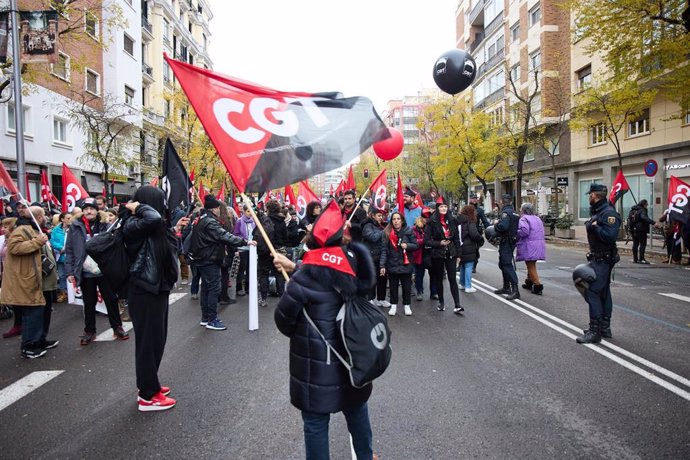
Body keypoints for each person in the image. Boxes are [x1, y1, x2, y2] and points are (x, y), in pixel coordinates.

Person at [275, 200, 377, 460]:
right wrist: (294, 267)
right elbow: (332, 273)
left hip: (314, 370)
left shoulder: (302, 280)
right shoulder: (354, 267)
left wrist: (295, 272)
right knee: (357, 414)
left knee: (316, 425)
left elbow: (283, 322)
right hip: (353, 359)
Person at [121, 185, 188, 412]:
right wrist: (140, 207)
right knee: (148, 343)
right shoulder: (134, 223)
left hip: (157, 288)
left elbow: (166, 242)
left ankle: (151, 384)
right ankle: (148, 396)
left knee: (158, 339)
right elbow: (153, 218)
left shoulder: (152, 225)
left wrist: (175, 229)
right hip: (144, 290)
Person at [65, 197, 129, 345]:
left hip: (104, 269)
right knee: (89, 302)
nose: (89, 211)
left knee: (111, 299)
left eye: (92, 208)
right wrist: (69, 272)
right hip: (85, 272)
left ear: (97, 210)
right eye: (86, 208)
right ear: (82, 211)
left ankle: (117, 327)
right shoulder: (75, 226)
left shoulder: (105, 225)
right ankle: (89, 331)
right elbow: (69, 250)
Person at [189, 195, 250, 330]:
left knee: (206, 288)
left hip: (203, 258)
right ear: (215, 209)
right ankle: (212, 319)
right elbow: (223, 235)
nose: (219, 210)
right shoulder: (210, 221)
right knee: (213, 289)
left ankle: (206, 317)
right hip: (209, 258)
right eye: (218, 208)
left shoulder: (202, 218)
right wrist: (244, 242)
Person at [0, 207, 50, 358]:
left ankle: (37, 341)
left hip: (32, 277)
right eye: (43, 215)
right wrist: (37, 241)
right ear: (38, 217)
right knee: (31, 313)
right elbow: (14, 248)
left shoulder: (32, 228)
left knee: (37, 311)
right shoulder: (21, 230)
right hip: (24, 279)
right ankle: (28, 345)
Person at [576, 183, 621, 344]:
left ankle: (595, 331)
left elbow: (610, 236)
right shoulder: (600, 211)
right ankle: (604, 327)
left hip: (603, 259)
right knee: (603, 292)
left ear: (594, 195)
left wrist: (595, 228)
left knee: (593, 291)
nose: (589, 197)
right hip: (599, 257)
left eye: (590, 194)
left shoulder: (608, 213)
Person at [424, 196, 463, 313]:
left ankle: (457, 304)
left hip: (451, 252)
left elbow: (456, 238)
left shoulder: (453, 220)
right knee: (439, 278)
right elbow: (427, 240)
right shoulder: (431, 221)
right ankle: (441, 302)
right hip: (437, 253)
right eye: (441, 206)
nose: (444, 208)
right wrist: (439, 243)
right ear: (437, 208)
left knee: (452, 278)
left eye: (445, 206)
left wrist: (459, 255)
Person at [380, 211, 418, 316]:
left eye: (398, 219)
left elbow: (416, 245)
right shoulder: (387, 232)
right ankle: (393, 305)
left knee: (406, 286)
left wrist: (407, 246)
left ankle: (407, 305)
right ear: (391, 221)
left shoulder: (408, 231)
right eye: (394, 219)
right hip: (392, 263)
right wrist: (382, 265)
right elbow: (384, 250)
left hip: (406, 263)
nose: (396, 221)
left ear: (402, 220)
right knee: (393, 286)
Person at [493, 194, 520, 300]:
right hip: (512, 241)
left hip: (506, 241)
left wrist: (496, 224)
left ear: (501, 202)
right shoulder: (516, 213)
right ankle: (506, 287)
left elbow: (503, 227)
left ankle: (515, 290)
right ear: (511, 202)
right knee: (503, 263)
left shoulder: (505, 213)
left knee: (506, 264)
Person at [361, 206, 389, 308]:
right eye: (378, 215)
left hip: (381, 255)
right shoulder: (367, 226)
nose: (380, 218)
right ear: (372, 215)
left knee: (382, 278)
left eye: (381, 216)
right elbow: (373, 237)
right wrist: (384, 232)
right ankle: (370, 298)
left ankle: (381, 299)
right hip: (371, 256)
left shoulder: (380, 225)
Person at [515, 203, 546, 295]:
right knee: (531, 263)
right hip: (539, 244)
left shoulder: (524, 219)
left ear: (524, 210)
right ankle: (529, 281)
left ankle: (537, 285)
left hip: (530, 244)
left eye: (521, 208)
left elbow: (524, 231)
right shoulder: (537, 218)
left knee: (530, 265)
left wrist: (516, 232)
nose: (520, 210)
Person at [456, 205, 483, 293]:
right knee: (468, 266)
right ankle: (468, 286)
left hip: (460, 245)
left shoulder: (458, 220)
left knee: (463, 265)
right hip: (469, 246)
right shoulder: (470, 221)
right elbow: (474, 234)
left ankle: (462, 283)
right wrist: (480, 239)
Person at [233, 205, 256, 296]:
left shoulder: (254, 221)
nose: (250, 213)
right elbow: (236, 235)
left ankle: (248, 288)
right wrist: (245, 241)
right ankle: (239, 289)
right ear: (244, 211)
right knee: (241, 269)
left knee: (250, 269)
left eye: (251, 211)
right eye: (248, 211)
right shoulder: (239, 221)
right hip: (242, 248)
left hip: (252, 249)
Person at [49, 212, 72, 303]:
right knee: (62, 275)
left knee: (71, 275)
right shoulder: (56, 230)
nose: (70, 220)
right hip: (60, 256)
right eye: (68, 218)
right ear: (62, 219)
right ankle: (64, 293)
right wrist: (60, 247)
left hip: (70, 256)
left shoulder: (73, 229)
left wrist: (68, 248)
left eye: (71, 218)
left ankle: (73, 293)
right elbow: (52, 241)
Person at [469, 194, 490, 273]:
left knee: (476, 250)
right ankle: (465, 265)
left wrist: (490, 228)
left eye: (475, 198)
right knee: (466, 249)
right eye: (473, 198)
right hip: (467, 231)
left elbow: (485, 221)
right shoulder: (466, 209)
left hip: (476, 232)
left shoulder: (480, 210)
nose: (474, 200)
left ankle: (474, 266)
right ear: (470, 199)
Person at [630, 199, 655, 264]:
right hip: (641, 230)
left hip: (633, 229)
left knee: (635, 244)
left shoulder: (632, 210)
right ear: (644, 204)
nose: (647, 206)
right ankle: (641, 258)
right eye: (646, 204)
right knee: (643, 244)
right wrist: (653, 223)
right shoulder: (642, 210)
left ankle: (635, 259)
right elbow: (644, 217)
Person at [411, 216, 427, 301]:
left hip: (424, 254)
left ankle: (419, 290)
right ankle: (418, 290)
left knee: (421, 273)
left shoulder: (426, 229)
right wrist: (423, 240)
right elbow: (414, 241)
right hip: (416, 255)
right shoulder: (413, 230)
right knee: (416, 273)